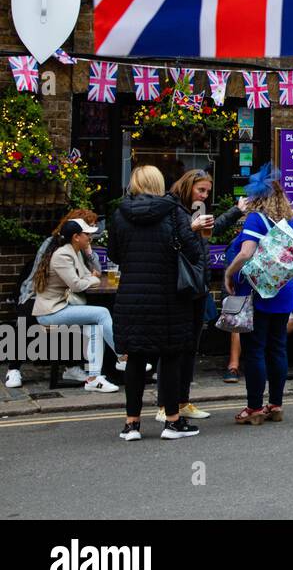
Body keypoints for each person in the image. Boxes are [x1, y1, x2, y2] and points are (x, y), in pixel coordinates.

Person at [111, 165, 206, 441]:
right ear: (158, 183)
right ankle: (173, 422)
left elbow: (116, 255)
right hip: (168, 298)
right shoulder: (174, 212)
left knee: (135, 359)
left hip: (131, 297)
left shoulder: (120, 214)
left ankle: (131, 425)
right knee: (171, 356)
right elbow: (192, 250)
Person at [223, 165, 293, 426]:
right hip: (283, 292)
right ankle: (276, 404)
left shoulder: (256, 219)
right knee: (278, 348)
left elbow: (246, 253)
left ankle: (254, 409)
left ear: (257, 197)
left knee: (255, 350)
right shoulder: (288, 222)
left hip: (258, 293)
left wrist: (228, 274)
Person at [166, 170, 245, 418]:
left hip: (197, 285)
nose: (204, 195)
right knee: (174, 349)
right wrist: (192, 226)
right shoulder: (174, 209)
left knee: (191, 346)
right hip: (180, 286)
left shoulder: (195, 210)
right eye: (201, 190)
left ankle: (182, 402)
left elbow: (213, 228)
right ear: (188, 185)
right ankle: (165, 406)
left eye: (207, 191)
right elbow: (169, 241)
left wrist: (236, 210)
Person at [8, 209, 106, 389]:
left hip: (67, 295)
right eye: (89, 226)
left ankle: (72, 365)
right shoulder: (51, 244)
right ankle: (14, 368)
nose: (92, 230)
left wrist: (89, 251)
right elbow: (38, 273)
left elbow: (97, 270)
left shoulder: (82, 245)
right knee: (28, 317)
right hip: (36, 292)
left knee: (78, 315)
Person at [31, 218, 118, 393]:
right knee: (102, 313)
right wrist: (92, 279)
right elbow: (78, 285)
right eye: (87, 234)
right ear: (76, 237)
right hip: (51, 311)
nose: (90, 238)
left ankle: (94, 378)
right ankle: (123, 356)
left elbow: (93, 273)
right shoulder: (63, 255)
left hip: (62, 306)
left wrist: (88, 257)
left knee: (95, 327)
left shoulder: (75, 252)